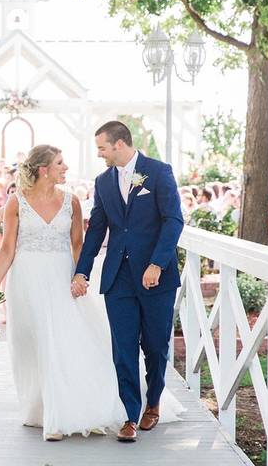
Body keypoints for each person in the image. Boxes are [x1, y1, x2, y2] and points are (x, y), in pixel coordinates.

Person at [0, 144, 128, 441]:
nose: (66, 167)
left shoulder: (71, 202)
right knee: (35, 343)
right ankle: (43, 409)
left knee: (62, 339)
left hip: (62, 279)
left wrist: (80, 276)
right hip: (26, 280)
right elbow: (7, 249)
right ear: (43, 169)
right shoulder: (16, 203)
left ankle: (64, 415)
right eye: (60, 163)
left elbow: (78, 246)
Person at [71, 121, 186, 442]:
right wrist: (81, 269)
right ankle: (129, 415)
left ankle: (153, 404)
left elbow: (173, 220)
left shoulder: (158, 172)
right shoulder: (103, 182)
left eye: (102, 148)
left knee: (155, 347)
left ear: (119, 145)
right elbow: (97, 230)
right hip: (117, 278)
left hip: (155, 278)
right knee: (122, 349)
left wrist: (157, 264)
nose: (100, 154)